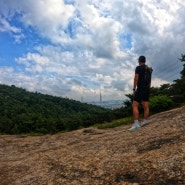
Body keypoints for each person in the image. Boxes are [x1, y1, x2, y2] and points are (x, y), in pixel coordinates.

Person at [128, 55, 151, 131]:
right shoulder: (149, 69)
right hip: (147, 88)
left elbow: (136, 78)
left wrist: (134, 89)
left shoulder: (138, 68)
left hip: (140, 88)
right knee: (146, 105)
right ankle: (145, 122)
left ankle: (136, 125)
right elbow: (149, 81)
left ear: (139, 61)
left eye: (138, 60)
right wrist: (148, 88)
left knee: (134, 105)